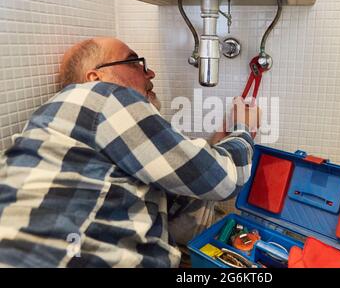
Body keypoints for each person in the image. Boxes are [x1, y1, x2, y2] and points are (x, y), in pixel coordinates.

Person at [0, 37, 260, 267]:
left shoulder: (83, 134)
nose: (151, 72)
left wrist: (213, 151)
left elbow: (183, 225)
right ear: (95, 78)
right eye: (134, 62)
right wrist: (244, 130)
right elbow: (224, 180)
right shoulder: (98, 97)